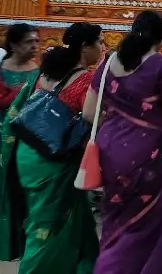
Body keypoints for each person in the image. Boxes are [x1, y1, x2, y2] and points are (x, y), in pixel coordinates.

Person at [83, 10, 162, 274]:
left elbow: (88, 112)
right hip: (148, 154)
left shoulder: (109, 63)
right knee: (146, 225)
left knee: (115, 219)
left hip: (110, 151)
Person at [0, 23, 104, 273]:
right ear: (85, 47)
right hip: (54, 160)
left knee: (75, 221)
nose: (103, 47)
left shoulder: (44, 71)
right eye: (100, 42)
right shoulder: (85, 80)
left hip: (28, 153)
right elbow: (94, 117)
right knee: (47, 229)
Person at [0, 24, 40, 116]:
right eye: (29, 41)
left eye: (37, 41)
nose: (35, 46)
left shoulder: (39, 73)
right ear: (13, 44)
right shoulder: (1, 69)